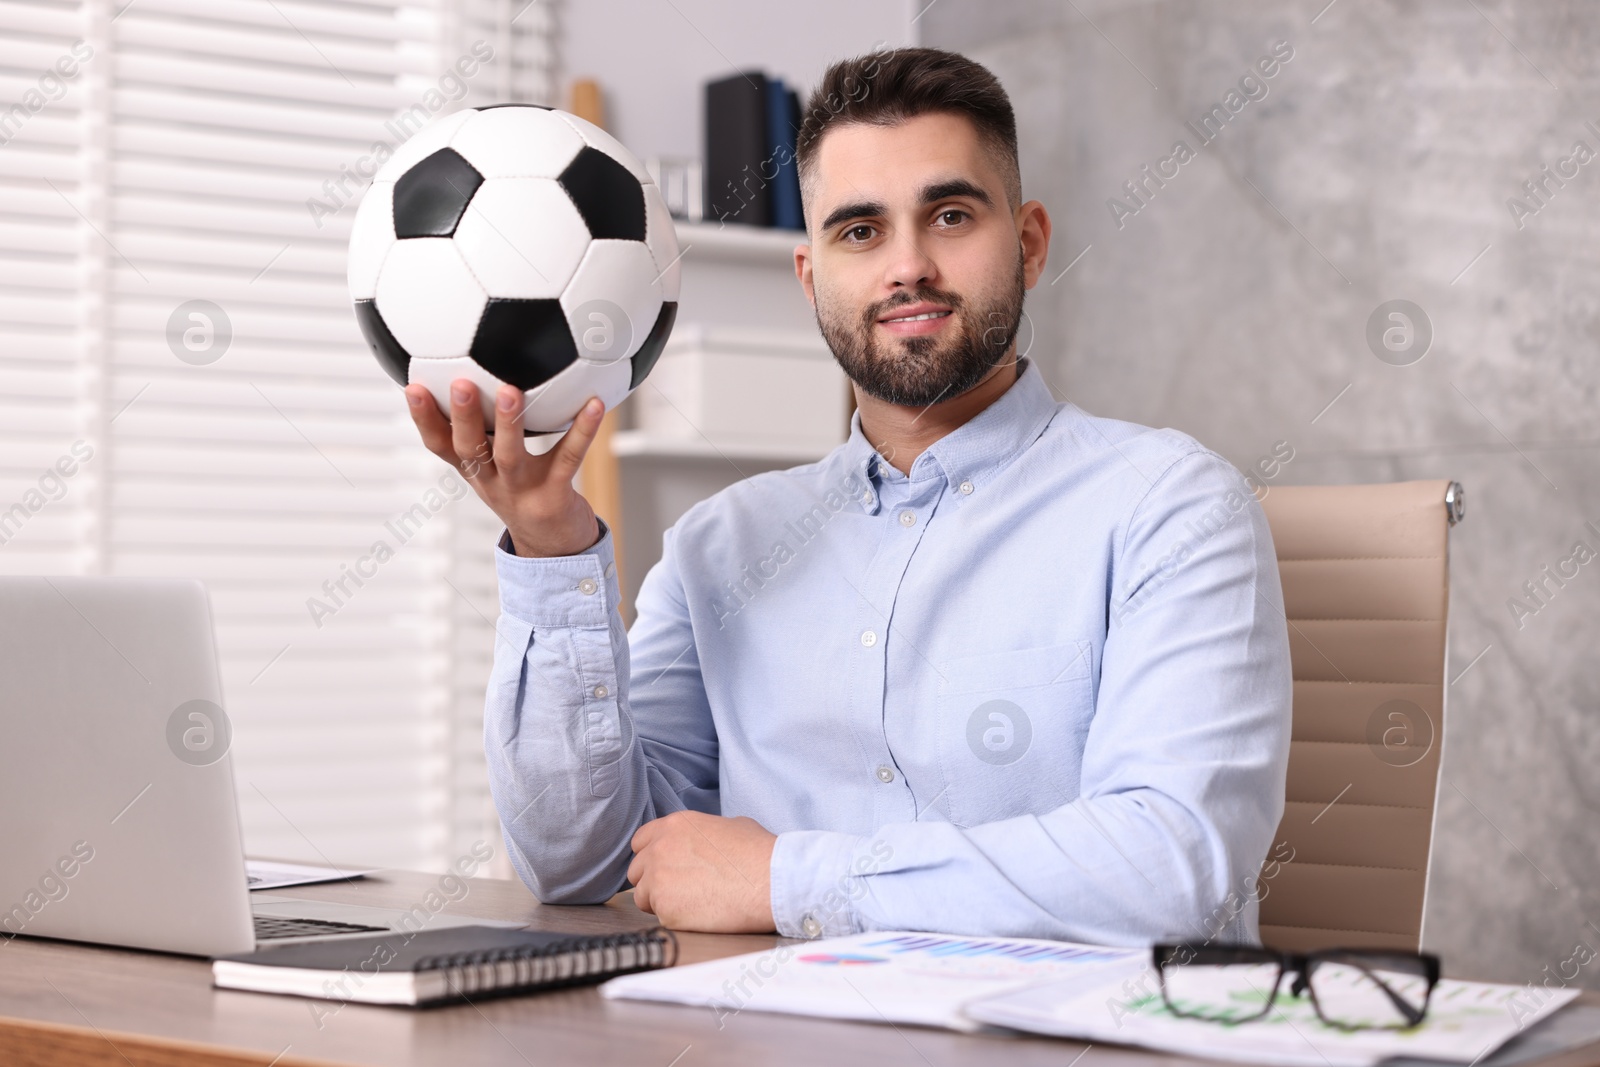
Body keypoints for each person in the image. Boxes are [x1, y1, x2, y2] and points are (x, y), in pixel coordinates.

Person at [405, 46, 1292, 946]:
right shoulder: (720, 545)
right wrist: (552, 548)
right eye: (860, 231)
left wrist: (786, 879)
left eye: (949, 215)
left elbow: (1178, 869)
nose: (907, 266)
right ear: (811, 276)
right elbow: (579, 862)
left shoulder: (1174, 508)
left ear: (1028, 242)